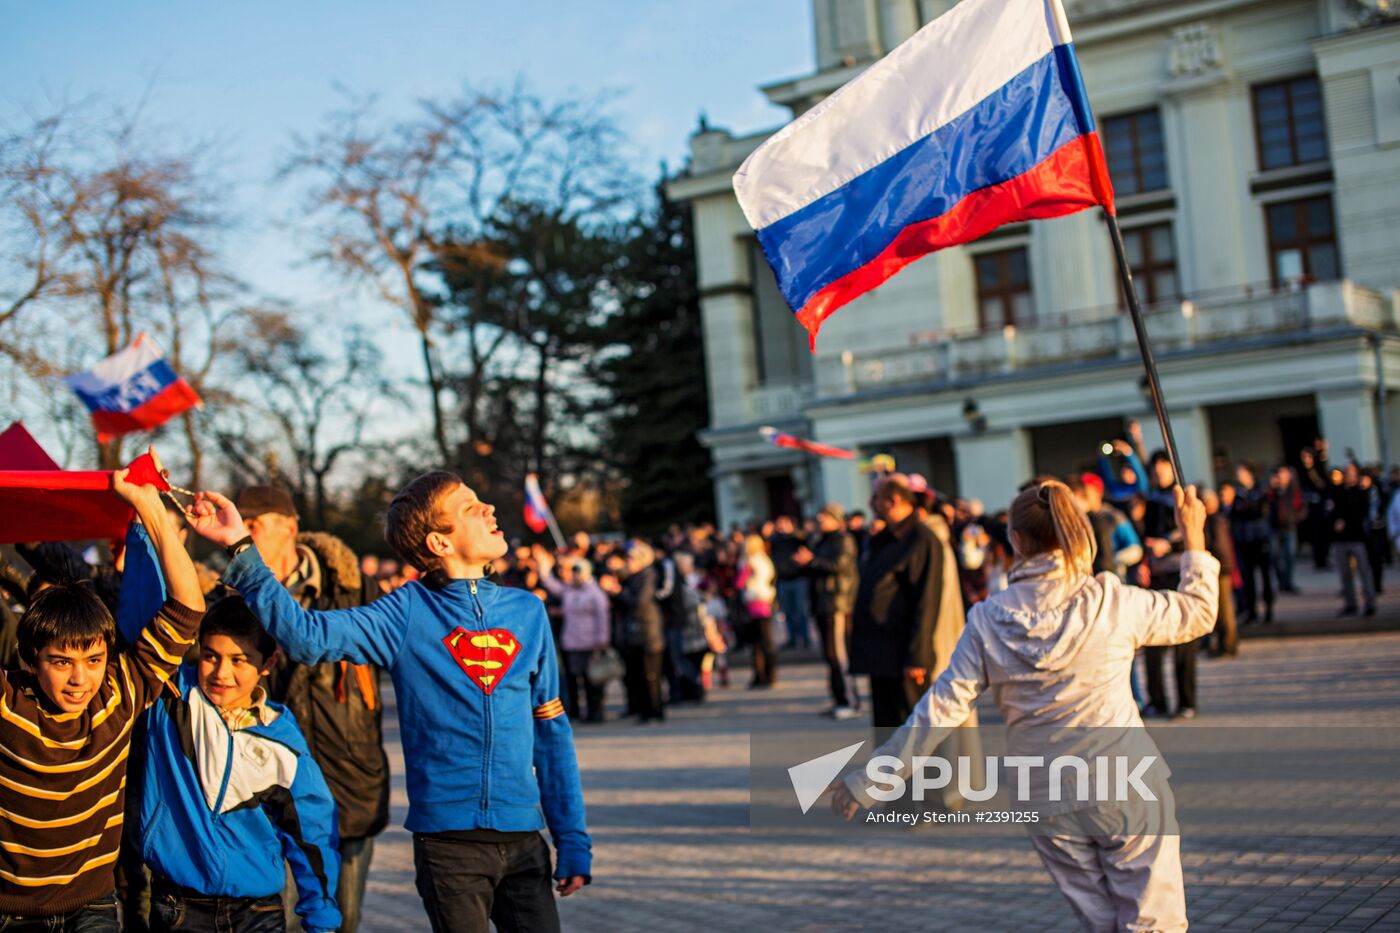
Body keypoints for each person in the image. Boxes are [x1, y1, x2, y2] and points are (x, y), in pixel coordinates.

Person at [190, 472, 590, 933]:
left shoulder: (529, 613)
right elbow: (305, 636)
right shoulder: (404, 613)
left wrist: (572, 839)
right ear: (439, 542)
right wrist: (241, 546)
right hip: (449, 848)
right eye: (469, 507)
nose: (489, 510)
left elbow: (552, 732)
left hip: (525, 843)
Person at [831, 480, 1218, 933]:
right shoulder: (1112, 601)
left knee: (1102, 922)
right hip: (1124, 781)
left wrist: (871, 779)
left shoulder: (989, 619)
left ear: (1015, 540)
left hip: (1044, 796)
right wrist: (1193, 538)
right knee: (1154, 921)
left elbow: (939, 709)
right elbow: (1198, 611)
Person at [0, 449, 206, 929]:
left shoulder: (120, 691)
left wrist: (150, 506)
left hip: (91, 907)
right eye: (61, 662)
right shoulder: (8, 702)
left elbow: (187, 605)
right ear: (31, 660)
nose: (80, 679)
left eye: (93, 661)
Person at [235, 486, 388, 933]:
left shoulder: (354, 587)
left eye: (253, 525)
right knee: (279, 920)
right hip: (269, 785)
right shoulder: (232, 598)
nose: (243, 535)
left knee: (341, 922)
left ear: (291, 526)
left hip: (349, 776)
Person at [138, 597, 341, 933]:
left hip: (257, 913)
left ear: (269, 662)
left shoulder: (284, 745)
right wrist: (158, 541)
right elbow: (141, 614)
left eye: (240, 660)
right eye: (210, 656)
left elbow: (313, 835)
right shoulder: (173, 700)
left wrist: (321, 920)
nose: (221, 673)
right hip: (179, 909)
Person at [849, 475, 942, 727]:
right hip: (879, 651)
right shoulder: (883, 538)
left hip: (904, 654)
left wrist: (917, 656)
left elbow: (927, 600)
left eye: (876, 498)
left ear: (893, 500)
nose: (871, 504)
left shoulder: (921, 539)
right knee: (887, 728)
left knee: (913, 730)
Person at [795, 503, 859, 718]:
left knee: (839, 656)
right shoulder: (821, 540)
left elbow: (839, 565)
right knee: (830, 655)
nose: (820, 520)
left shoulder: (843, 539)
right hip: (822, 603)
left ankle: (849, 701)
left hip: (837, 603)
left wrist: (812, 561)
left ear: (836, 519)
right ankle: (838, 699)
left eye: (825, 517)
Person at [538, 551, 611, 723]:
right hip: (572, 641)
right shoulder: (569, 591)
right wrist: (544, 566)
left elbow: (603, 618)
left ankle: (596, 712)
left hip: (591, 642)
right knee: (577, 679)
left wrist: (602, 640)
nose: (573, 575)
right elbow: (550, 583)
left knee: (593, 680)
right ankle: (581, 712)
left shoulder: (595, 593)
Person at [615, 541, 666, 723]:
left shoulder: (648, 575)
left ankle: (654, 710)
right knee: (638, 675)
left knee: (650, 675)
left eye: (631, 558)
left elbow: (639, 601)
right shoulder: (632, 577)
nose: (627, 562)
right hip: (634, 632)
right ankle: (644, 710)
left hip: (647, 631)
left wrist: (618, 591)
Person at [1229, 464, 1274, 625]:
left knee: (1265, 576)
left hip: (1260, 540)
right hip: (1244, 540)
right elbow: (1234, 515)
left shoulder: (1260, 492)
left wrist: (1245, 510)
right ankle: (1252, 611)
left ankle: (1268, 609)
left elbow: (1261, 513)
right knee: (1248, 579)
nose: (1238, 476)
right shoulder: (1238, 494)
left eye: (1240, 472)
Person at [1331, 463, 1377, 617]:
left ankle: (1370, 603)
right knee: (1345, 574)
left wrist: (1344, 521)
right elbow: (1332, 511)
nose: (1349, 475)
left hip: (1357, 538)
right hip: (1341, 539)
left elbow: (1361, 512)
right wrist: (1336, 521)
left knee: (1364, 572)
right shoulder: (1338, 491)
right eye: (1347, 472)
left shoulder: (1362, 492)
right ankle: (1350, 604)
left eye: (1352, 472)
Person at [1201, 488, 1239, 657]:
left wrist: (1219, 567)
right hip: (1218, 568)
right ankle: (1224, 643)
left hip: (1220, 569)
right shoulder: (1214, 520)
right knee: (1220, 610)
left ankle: (1229, 644)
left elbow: (1221, 548)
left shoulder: (1216, 521)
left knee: (1225, 610)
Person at [737, 533, 778, 688]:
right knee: (762, 641)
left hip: (755, 600)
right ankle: (766, 674)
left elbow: (740, 582)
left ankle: (763, 674)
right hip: (764, 599)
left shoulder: (750, 561)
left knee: (759, 642)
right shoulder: (765, 560)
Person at [770, 516, 811, 650]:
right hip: (783, 580)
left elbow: (806, 540)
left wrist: (792, 532)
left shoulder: (797, 539)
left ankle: (805, 638)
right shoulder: (775, 540)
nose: (781, 526)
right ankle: (792, 639)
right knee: (787, 612)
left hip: (798, 578)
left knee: (800, 611)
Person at [1267, 465, 1306, 594]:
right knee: (1275, 556)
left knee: (1289, 556)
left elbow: (1302, 506)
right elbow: (1265, 503)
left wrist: (1295, 518)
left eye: (1284, 474)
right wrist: (1272, 488)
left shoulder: (1294, 489)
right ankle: (1281, 582)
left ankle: (1288, 582)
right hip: (1274, 527)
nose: (1281, 477)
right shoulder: (1272, 490)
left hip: (1289, 526)